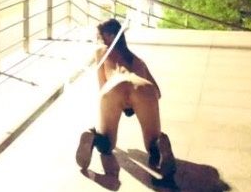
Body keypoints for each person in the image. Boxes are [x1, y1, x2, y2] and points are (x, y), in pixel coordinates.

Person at [75, 18, 176, 180]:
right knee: (151, 142)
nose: (98, 40)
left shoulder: (101, 51)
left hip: (114, 85)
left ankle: (94, 137)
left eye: (99, 36)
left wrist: (117, 104)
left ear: (110, 36)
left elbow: (102, 88)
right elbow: (157, 92)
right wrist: (136, 105)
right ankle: (159, 144)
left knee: (107, 145)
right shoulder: (138, 61)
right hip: (142, 85)